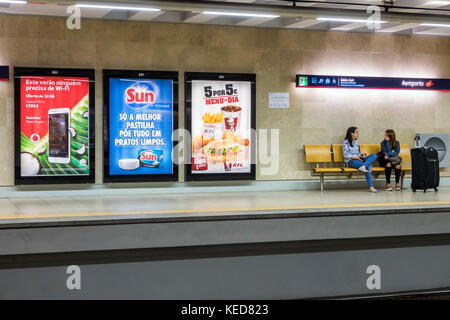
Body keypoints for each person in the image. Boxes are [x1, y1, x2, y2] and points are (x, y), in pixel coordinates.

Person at [343, 127, 378, 193]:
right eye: (356, 132)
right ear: (352, 133)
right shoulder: (346, 142)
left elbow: (358, 154)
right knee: (368, 167)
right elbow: (345, 155)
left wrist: (363, 155)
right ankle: (371, 187)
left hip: (359, 159)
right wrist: (356, 158)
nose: (358, 133)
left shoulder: (356, 142)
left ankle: (363, 166)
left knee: (374, 155)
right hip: (351, 161)